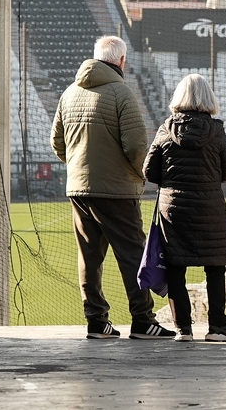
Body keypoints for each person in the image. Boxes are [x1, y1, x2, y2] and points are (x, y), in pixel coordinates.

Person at [51, 35, 169, 339]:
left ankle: (96, 321)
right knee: (132, 255)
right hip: (116, 189)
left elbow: (57, 143)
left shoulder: (69, 93)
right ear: (122, 60)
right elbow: (136, 147)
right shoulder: (122, 94)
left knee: (89, 257)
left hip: (79, 189)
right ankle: (142, 320)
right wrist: (139, 175)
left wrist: (78, 167)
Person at [144, 73, 226, 342]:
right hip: (210, 207)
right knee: (216, 267)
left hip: (173, 209)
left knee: (175, 267)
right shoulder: (216, 130)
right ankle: (218, 327)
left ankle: (183, 329)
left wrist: (171, 181)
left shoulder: (165, 129)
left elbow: (148, 170)